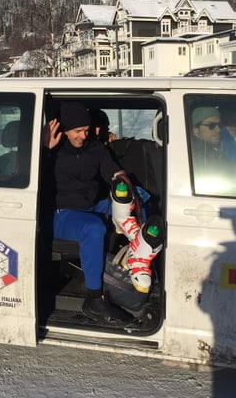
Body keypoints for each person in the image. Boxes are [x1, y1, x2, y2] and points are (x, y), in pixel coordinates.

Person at [43, 102, 161, 324]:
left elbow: (111, 170)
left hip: (91, 205)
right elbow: (32, 177)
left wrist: (120, 178)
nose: (82, 135)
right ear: (64, 130)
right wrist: (44, 149)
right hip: (61, 213)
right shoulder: (52, 151)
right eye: (77, 131)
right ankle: (95, 299)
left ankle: (138, 249)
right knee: (93, 227)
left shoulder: (94, 148)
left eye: (86, 130)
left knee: (137, 200)